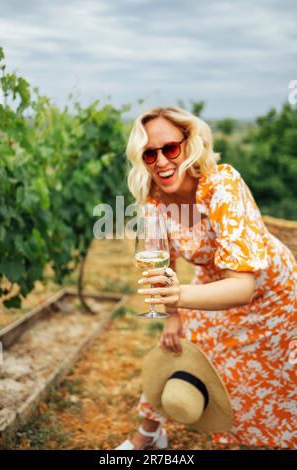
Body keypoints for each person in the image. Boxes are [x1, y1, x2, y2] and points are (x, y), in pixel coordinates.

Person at [115, 106, 297, 450]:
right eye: (149, 153)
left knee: (271, 380)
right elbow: (160, 269)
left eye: (170, 148)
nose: (161, 161)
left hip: (270, 293)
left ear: (189, 142)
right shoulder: (153, 203)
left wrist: (178, 298)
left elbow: (242, 286)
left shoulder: (222, 184)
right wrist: (172, 317)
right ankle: (149, 434)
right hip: (212, 284)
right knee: (176, 348)